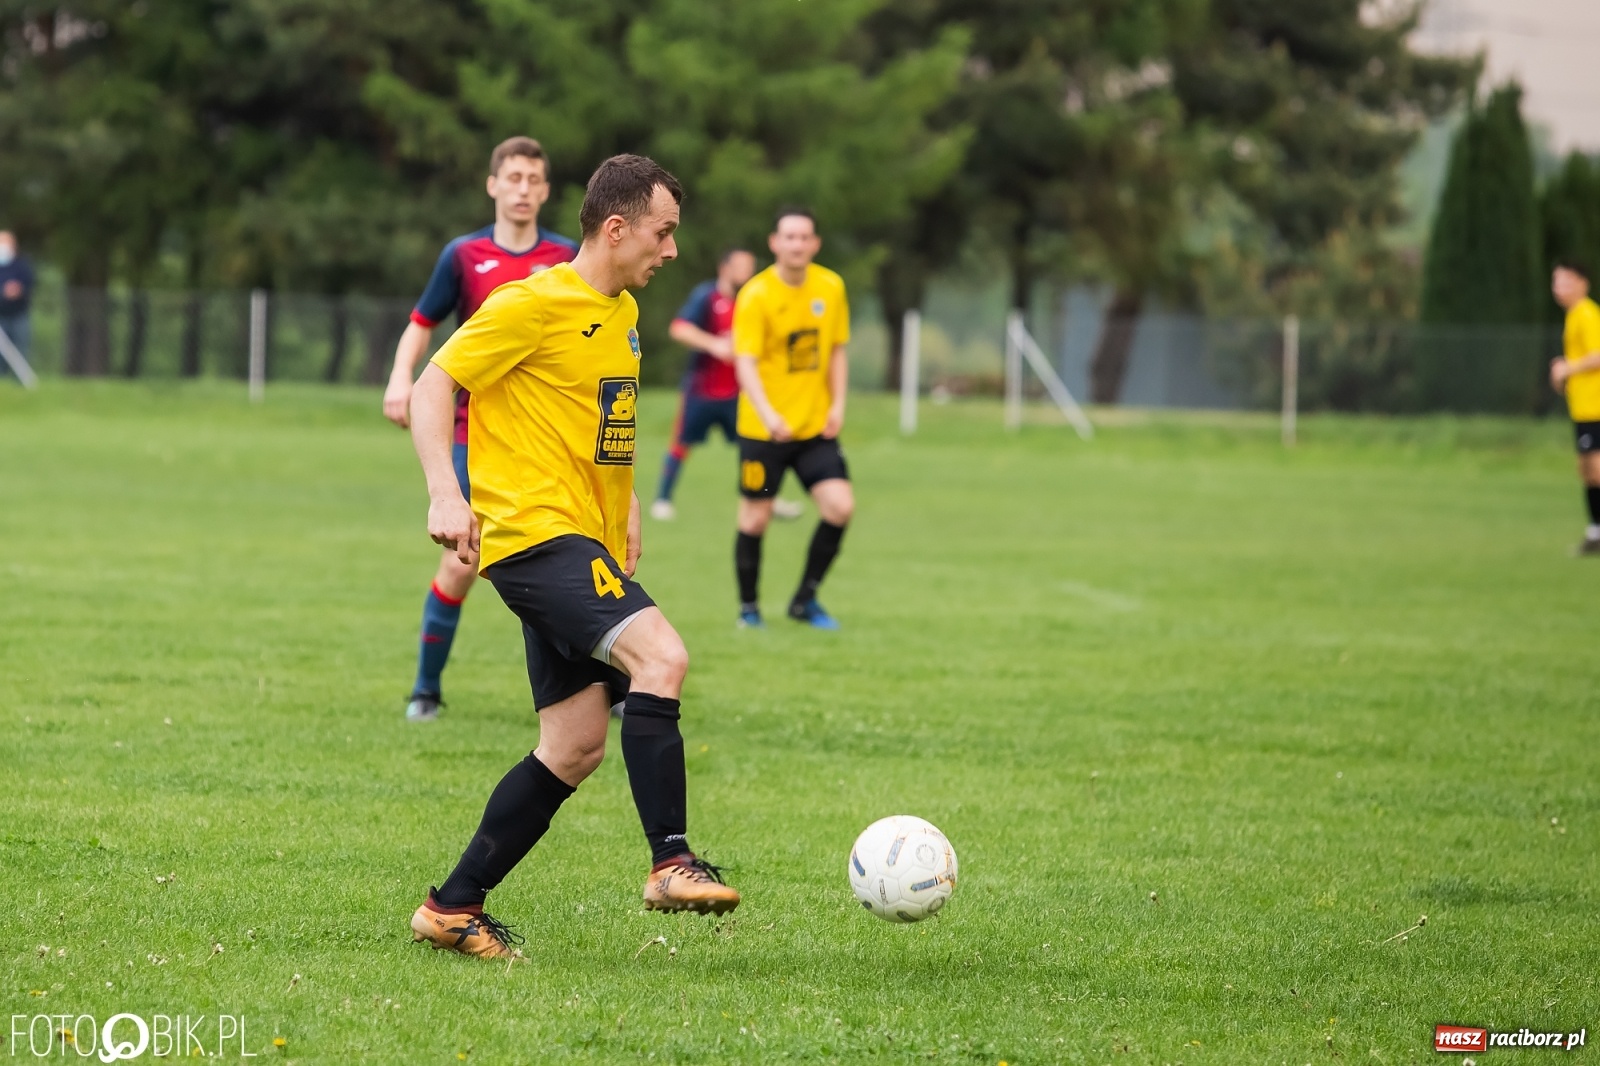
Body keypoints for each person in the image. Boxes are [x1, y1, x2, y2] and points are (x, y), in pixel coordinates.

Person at [407, 154, 740, 960]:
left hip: (583, 539)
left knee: (575, 744)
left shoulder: (623, 312)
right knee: (663, 657)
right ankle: (670, 861)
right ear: (617, 228)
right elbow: (433, 385)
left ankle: (452, 907)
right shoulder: (531, 303)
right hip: (534, 536)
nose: (671, 250)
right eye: (663, 232)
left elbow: (607, 426)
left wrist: (626, 513)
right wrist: (445, 493)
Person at [382, 137, 578, 722]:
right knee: (461, 563)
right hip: (476, 435)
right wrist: (400, 377)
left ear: (545, 191)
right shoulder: (463, 256)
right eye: (513, 177)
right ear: (493, 185)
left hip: (546, 438)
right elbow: (422, 322)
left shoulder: (567, 257)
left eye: (533, 180)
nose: (522, 189)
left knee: (572, 558)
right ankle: (426, 689)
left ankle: (603, 686)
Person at [730, 208, 854, 630]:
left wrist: (838, 405)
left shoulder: (831, 286)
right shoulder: (756, 294)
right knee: (755, 518)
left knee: (840, 506)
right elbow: (745, 362)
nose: (797, 244)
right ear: (775, 243)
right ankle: (749, 610)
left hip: (814, 428)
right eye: (789, 237)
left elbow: (836, 350)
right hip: (763, 431)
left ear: (815, 244)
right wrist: (768, 414)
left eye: (804, 237)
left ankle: (805, 600)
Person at [649, 248, 756, 521]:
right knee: (681, 443)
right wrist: (714, 344)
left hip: (738, 391)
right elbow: (679, 328)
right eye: (742, 266)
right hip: (702, 390)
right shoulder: (706, 296)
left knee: (754, 445)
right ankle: (662, 499)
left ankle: (764, 495)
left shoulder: (752, 300)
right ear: (725, 268)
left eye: (750, 267)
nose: (748, 273)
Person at [1549, 258, 1600, 555]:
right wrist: (1565, 373)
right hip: (1582, 407)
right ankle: (1595, 532)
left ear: (1583, 283)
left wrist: (1568, 368)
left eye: (1566, 281)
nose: (1560, 287)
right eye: (1556, 281)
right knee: (1587, 470)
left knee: (1596, 468)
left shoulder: (1587, 313)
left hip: (1596, 406)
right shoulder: (1573, 316)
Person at [0, 231, 36, 373]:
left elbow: (29, 284)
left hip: (19, 314)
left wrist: (18, 290)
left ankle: (19, 376)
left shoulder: (22, 265)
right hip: (1, 314)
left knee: (20, 346)